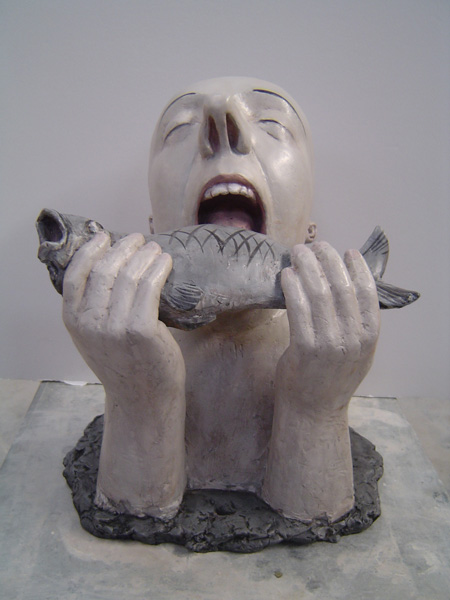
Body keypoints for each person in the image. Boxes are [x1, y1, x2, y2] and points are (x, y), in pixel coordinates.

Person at [62, 77, 380, 522]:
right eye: (179, 128)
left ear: (310, 228)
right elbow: (133, 514)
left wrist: (317, 409)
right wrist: (139, 401)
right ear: (152, 228)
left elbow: (317, 514)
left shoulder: (319, 358)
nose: (221, 116)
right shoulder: (134, 351)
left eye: (271, 124)